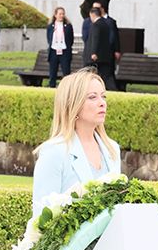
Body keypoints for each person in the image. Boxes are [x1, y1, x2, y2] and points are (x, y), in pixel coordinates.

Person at [32, 69, 121, 216]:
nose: (102, 103)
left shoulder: (112, 149)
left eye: (103, 96)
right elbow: (42, 215)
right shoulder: (54, 152)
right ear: (73, 104)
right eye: (92, 97)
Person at [84, 7, 116, 89]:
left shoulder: (96, 25)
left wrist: (93, 52)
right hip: (105, 55)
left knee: (92, 74)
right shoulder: (105, 24)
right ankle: (112, 88)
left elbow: (95, 38)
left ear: (92, 14)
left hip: (97, 56)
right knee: (106, 75)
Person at [46, 6, 74, 88]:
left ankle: (67, 88)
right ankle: (52, 86)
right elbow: (49, 38)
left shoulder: (68, 26)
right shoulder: (50, 26)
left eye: (63, 14)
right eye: (60, 14)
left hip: (64, 51)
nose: (61, 16)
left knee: (66, 71)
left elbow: (70, 39)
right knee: (53, 71)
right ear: (55, 15)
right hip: (54, 51)